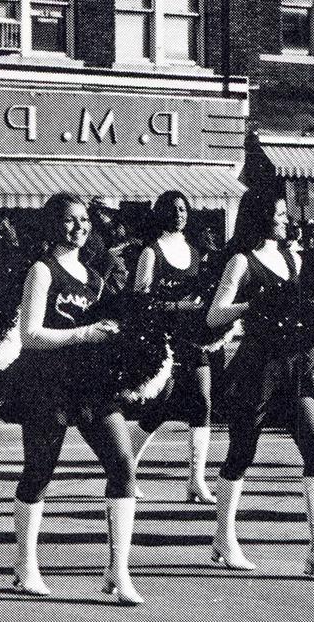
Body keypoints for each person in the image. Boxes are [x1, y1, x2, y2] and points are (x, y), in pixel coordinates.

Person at [0, 193, 142, 605]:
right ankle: (25, 567)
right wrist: (85, 334)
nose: (78, 227)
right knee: (39, 473)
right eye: (68, 220)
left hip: (90, 382)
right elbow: (30, 335)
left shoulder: (96, 278)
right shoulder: (41, 271)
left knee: (123, 466)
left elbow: (101, 330)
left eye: (83, 221)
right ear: (53, 225)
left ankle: (118, 570)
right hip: (46, 381)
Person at [207, 188, 314, 581]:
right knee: (241, 452)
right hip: (257, 367)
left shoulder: (293, 257)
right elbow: (214, 315)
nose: (287, 220)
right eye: (280, 213)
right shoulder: (241, 261)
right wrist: (253, 306)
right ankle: (224, 537)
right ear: (262, 216)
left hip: (294, 365)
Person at [130, 191, 216, 504]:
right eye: (174, 209)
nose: (180, 214)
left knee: (203, 402)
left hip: (192, 337)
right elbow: (140, 301)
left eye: (184, 209)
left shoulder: (195, 251)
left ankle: (196, 479)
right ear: (162, 213)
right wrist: (175, 304)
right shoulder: (151, 253)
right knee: (160, 404)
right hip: (161, 337)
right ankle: (125, 466)